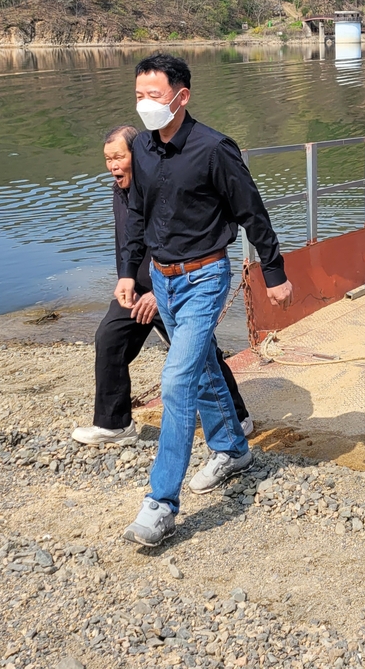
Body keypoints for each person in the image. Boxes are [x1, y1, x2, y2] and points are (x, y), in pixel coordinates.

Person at [118, 53, 293, 546]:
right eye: (138, 96)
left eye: (153, 95)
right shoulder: (144, 150)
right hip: (162, 277)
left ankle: (159, 505)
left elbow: (251, 210)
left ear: (181, 96)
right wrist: (130, 275)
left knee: (176, 380)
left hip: (204, 277)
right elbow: (136, 215)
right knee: (202, 368)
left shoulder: (214, 149)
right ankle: (234, 448)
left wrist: (274, 272)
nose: (145, 105)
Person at [71, 125, 251, 447]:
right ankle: (115, 426)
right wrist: (125, 279)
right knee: (109, 339)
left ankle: (236, 417)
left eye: (118, 158)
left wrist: (159, 293)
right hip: (135, 290)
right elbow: (128, 241)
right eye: (107, 159)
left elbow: (179, 245)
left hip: (169, 288)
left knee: (200, 354)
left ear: (137, 156)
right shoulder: (120, 190)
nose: (112, 166)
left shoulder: (160, 188)